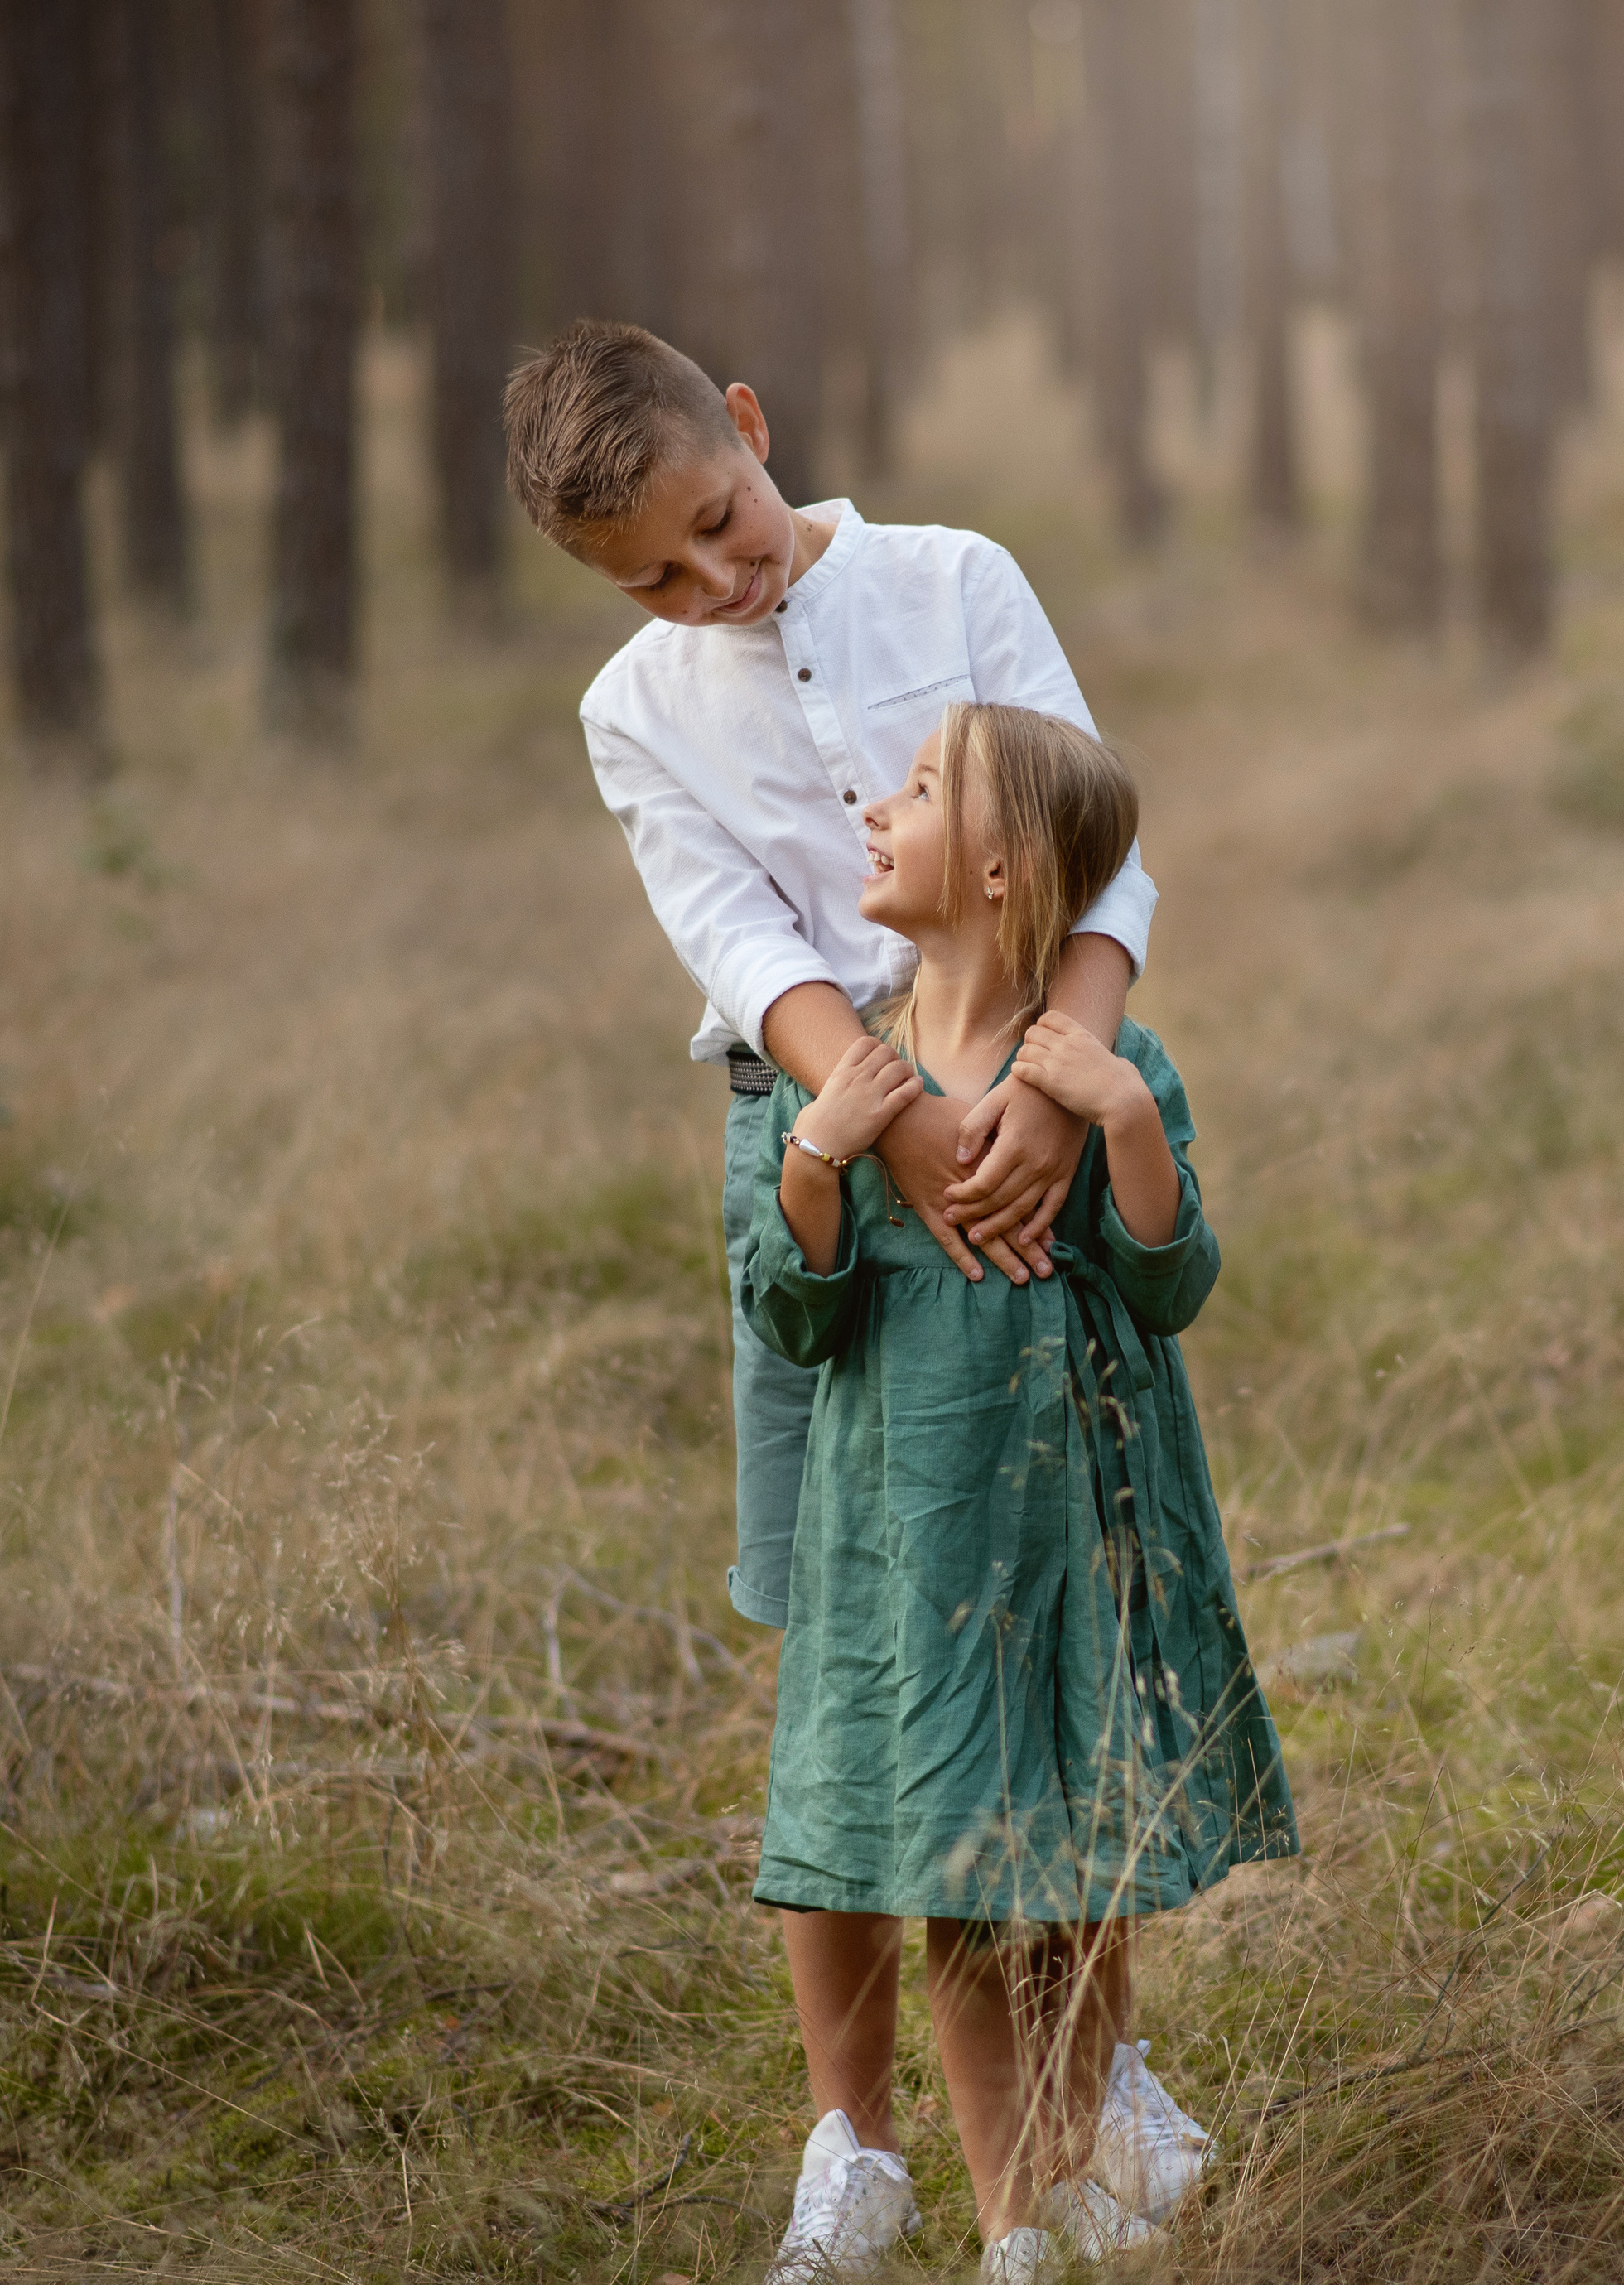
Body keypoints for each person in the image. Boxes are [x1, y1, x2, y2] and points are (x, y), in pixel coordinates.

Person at [498, 329, 1212, 2248]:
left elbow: (1099, 845)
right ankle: (857, 2144)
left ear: (748, 429)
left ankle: (1094, 2075)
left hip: (1034, 1103)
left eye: (717, 526)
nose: (709, 585)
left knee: (1041, 1614)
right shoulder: (635, 710)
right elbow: (734, 936)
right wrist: (884, 1120)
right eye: (652, 579)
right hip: (819, 1148)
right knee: (848, 1637)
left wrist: (1055, 1089)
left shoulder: (954, 580)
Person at [742, 703, 1298, 2282]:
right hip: (911, 1543)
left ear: (999, 872)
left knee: (1067, 1875)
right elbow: (796, 1317)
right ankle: (1013, 2235)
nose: (876, 808)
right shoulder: (847, 1076)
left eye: (919, 791)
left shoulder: (1105, 1072)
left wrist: (1122, 1119)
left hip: (1070, 1538)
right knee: (959, 1892)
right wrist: (816, 1161)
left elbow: (1169, 1282)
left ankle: (1075, 2167)